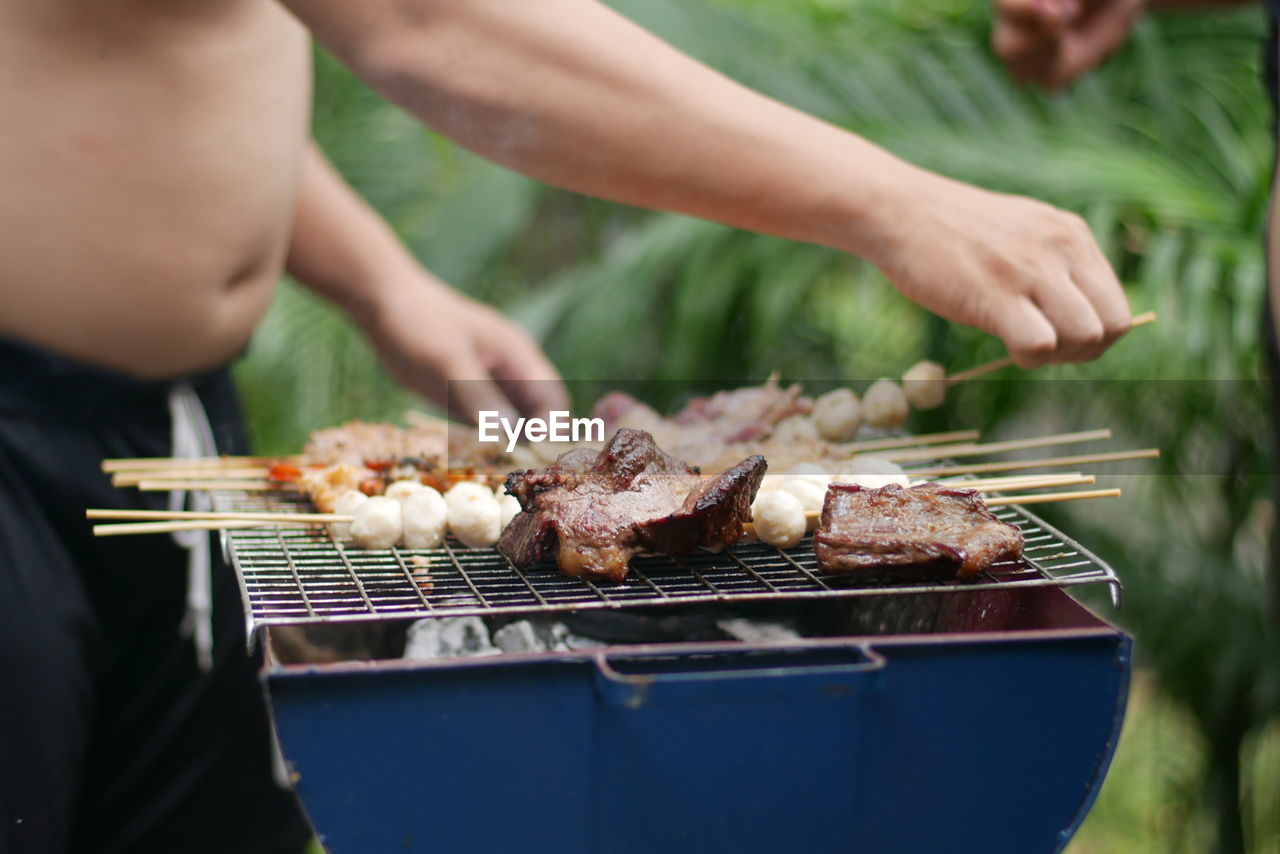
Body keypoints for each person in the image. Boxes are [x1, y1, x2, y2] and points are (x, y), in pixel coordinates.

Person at [0, 2, 1135, 853]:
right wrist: (896, 202)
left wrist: (387, 285)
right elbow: (428, 21)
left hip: (181, 421)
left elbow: (169, 58)